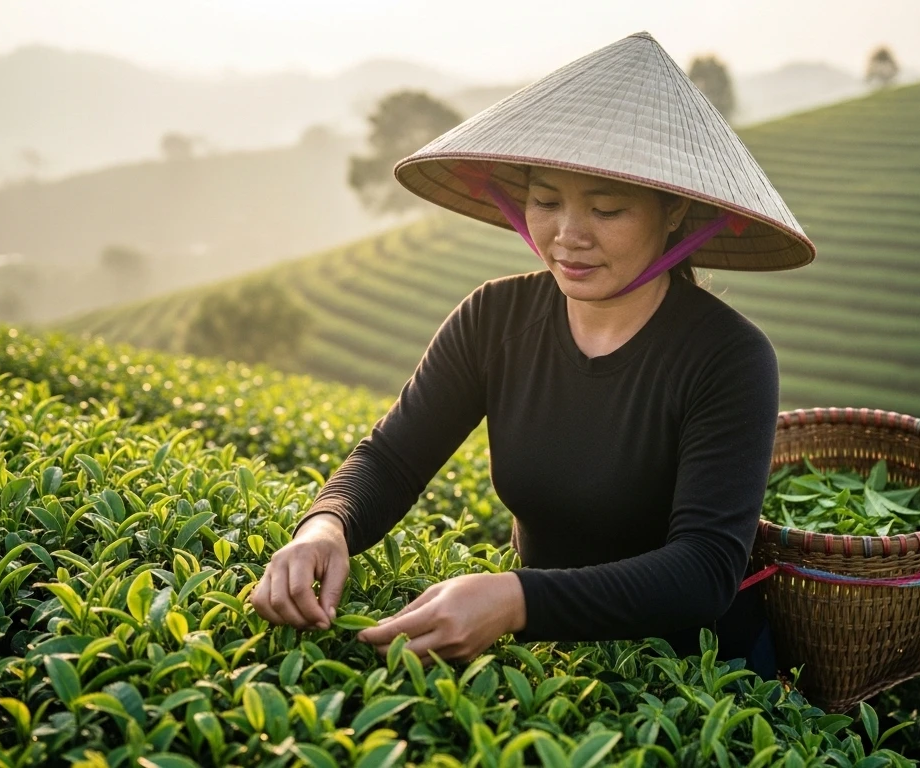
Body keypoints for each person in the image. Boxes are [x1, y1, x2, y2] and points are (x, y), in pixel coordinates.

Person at [249, 30, 815, 690]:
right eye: (546, 200)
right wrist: (325, 528)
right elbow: (392, 458)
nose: (567, 235)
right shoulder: (495, 318)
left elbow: (703, 571)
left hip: (699, 679)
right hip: (550, 657)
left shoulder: (728, 359)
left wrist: (518, 600)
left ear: (675, 214)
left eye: (607, 208)